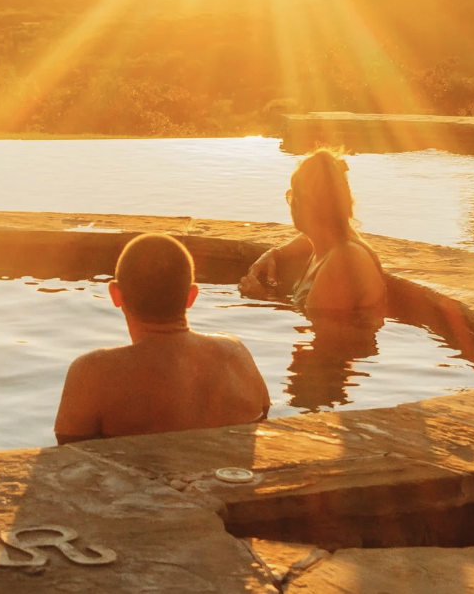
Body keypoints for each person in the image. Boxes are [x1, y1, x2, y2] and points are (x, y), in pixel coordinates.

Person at [54, 233, 271, 444]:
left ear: (115, 294)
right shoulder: (237, 355)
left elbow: (64, 460)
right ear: (192, 296)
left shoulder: (92, 374)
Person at [240, 149, 387, 321]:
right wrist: (275, 253)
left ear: (308, 203)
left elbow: (323, 331)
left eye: (293, 195)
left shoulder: (343, 261)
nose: (291, 203)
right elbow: (305, 241)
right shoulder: (331, 242)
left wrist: (264, 299)